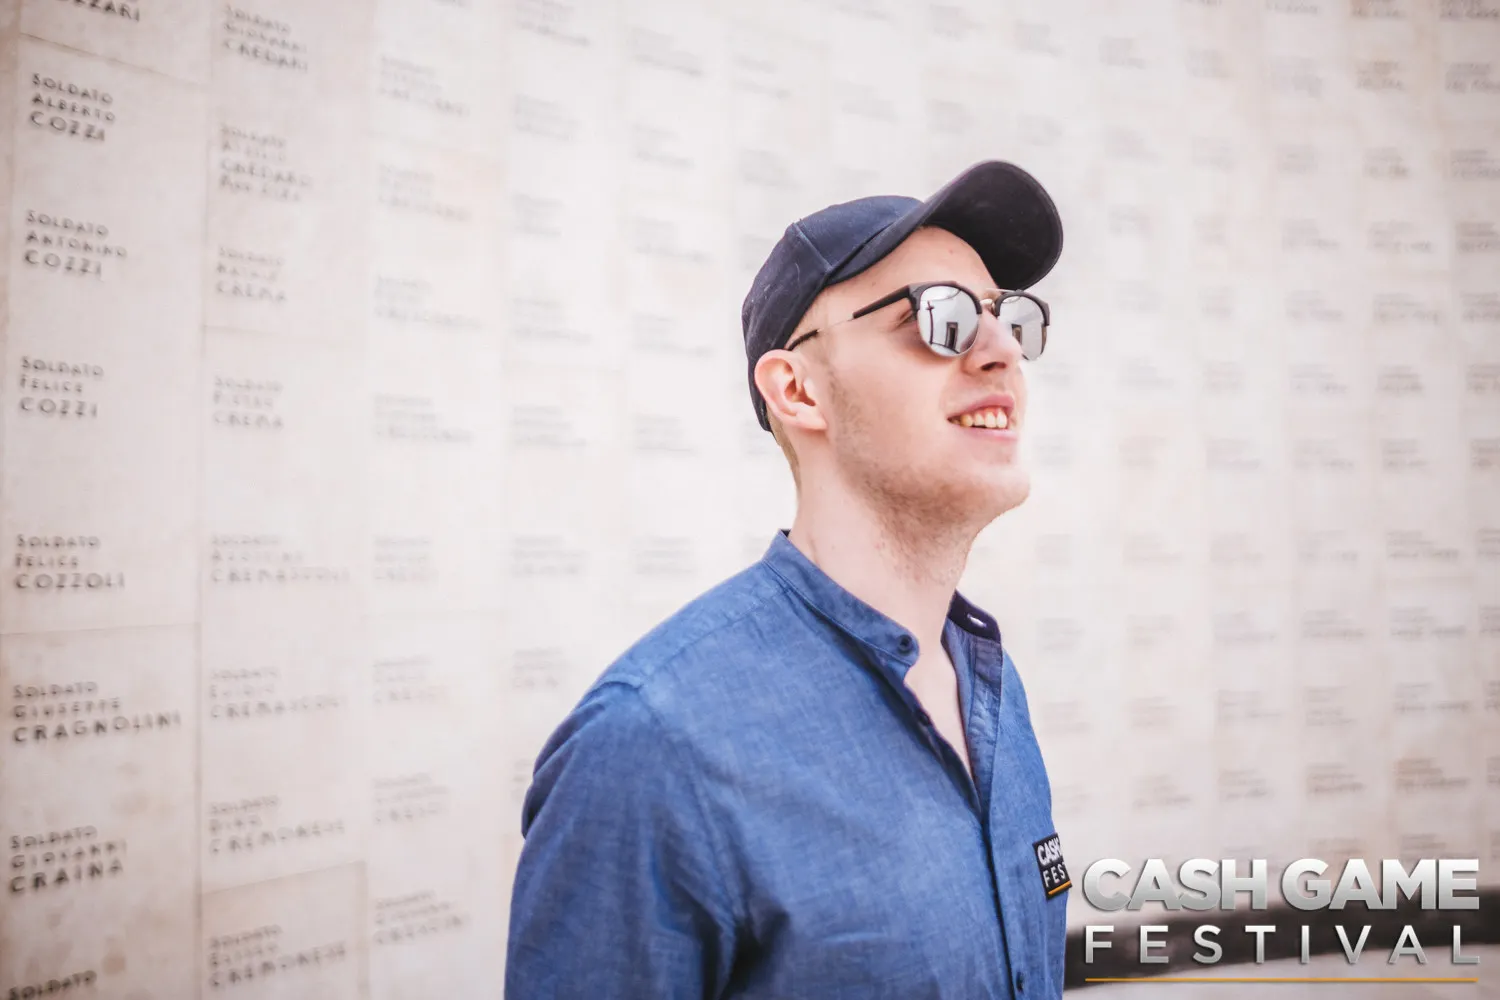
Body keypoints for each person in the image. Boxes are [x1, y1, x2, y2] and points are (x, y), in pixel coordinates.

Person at [506, 160, 1070, 999]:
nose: (1002, 353)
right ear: (799, 390)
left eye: (1008, 317)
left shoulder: (992, 689)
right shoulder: (650, 748)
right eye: (941, 316)